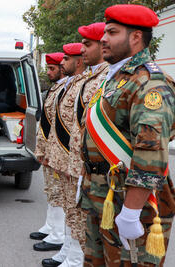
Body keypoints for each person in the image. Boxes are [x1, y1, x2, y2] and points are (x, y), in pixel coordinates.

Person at [79, 4, 175, 266]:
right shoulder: (117, 78)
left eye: (112, 32)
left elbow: (150, 152)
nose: (103, 39)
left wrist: (131, 212)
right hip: (103, 198)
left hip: (130, 206)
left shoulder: (150, 83)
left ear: (135, 37)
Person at [38, 43, 86, 262]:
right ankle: (60, 239)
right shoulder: (65, 86)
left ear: (78, 61)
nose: (55, 68)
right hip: (58, 154)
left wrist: (68, 160)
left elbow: (74, 127)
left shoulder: (80, 84)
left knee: (72, 207)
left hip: (69, 158)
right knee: (59, 197)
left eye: (62, 61)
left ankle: (67, 247)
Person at [31, 52, 66, 249]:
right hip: (51, 149)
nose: (49, 72)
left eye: (52, 69)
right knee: (52, 191)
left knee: (60, 193)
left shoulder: (66, 88)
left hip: (59, 151)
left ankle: (59, 234)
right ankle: (51, 226)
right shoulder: (56, 89)